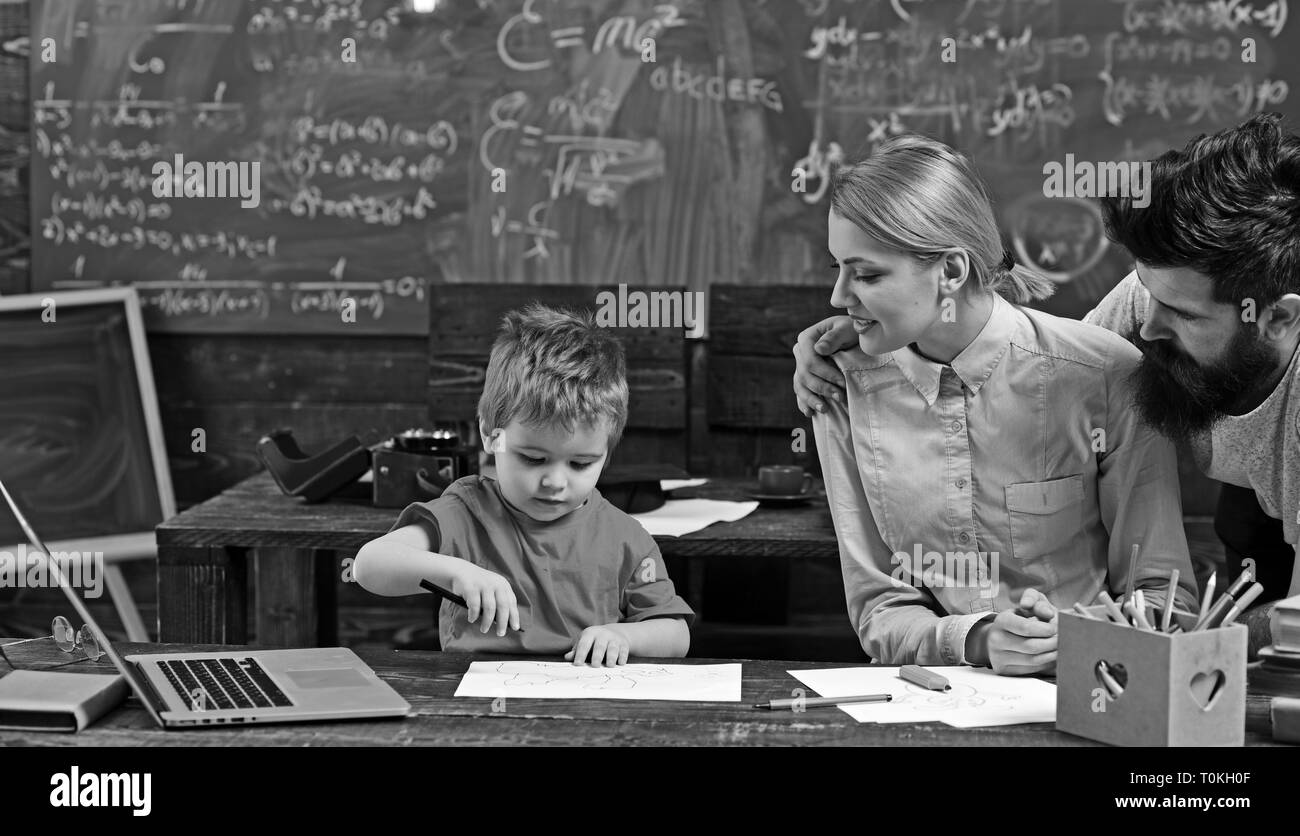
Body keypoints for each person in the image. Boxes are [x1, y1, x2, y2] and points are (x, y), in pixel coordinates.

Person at [794, 114, 1300, 656]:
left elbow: (1267, 617)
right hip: (1248, 504)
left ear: (1276, 319)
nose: (1147, 327)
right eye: (1147, 292)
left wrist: (1111, 642)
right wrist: (876, 324)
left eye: (1180, 315)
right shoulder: (1150, 309)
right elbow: (1062, 379)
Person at [353, 304, 693, 666]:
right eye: (533, 458)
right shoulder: (466, 513)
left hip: (588, 702)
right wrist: (455, 572)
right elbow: (368, 566)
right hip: (475, 700)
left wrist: (624, 635)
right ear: (490, 434)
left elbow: (676, 634)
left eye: (581, 463)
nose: (554, 482)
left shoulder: (626, 537)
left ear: (606, 452)